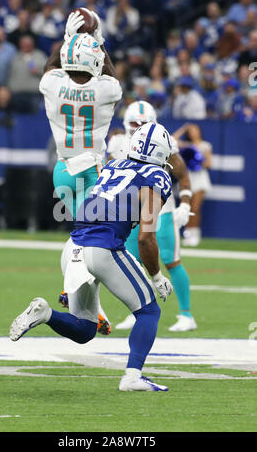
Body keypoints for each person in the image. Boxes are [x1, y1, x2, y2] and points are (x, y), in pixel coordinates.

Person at [9, 121, 174, 392]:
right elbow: (146, 236)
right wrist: (156, 276)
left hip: (72, 247)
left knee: (85, 330)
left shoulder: (114, 165)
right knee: (148, 311)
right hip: (104, 247)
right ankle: (132, 377)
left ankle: (45, 314)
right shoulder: (156, 176)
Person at [39, 11, 122, 335]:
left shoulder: (53, 84)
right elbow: (112, 78)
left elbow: (50, 69)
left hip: (64, 169)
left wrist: (67, 41)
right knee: (97, 240)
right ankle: (73, 291)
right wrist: (98, 43)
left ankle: (87, 302)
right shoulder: (105, 90)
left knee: (84, 236)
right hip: (93, 170)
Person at [109, 101, 196, 332]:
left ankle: (186, 314)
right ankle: (135, 311)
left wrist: (185, 203)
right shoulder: (118, 141)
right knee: (132, 262)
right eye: (134, 123)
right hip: (132, 211)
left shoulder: (164, 140)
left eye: (143, 123)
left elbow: (183, 174)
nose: (138, 127)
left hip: (161, 206)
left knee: (170, 259)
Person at [173, 123, 212, 247]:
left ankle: (195, 235)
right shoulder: (186, 146)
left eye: (195, 130)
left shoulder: (205, 145)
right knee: (186, 208)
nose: (193, 132)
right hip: (188, 179)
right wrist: (183, 128)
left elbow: (209, 163)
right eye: (190, 131)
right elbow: (172, 140)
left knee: (195, 208)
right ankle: (188, 235)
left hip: (200, 179)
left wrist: (197, 162)